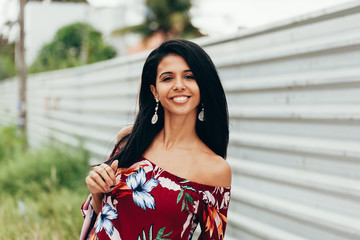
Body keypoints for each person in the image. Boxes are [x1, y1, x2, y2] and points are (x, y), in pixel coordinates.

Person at [80, 39, 231, 240]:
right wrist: (97, 191)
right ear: (155, 91)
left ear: (203, 87)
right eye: (168, 78)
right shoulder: (129, 139)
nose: (179, 85)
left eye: (189, 76)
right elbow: (106, 215)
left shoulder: (215, 170)